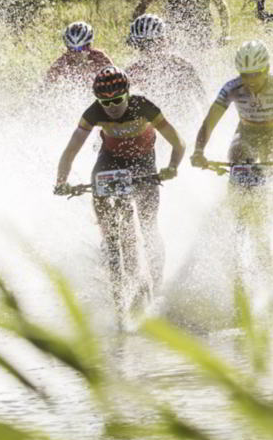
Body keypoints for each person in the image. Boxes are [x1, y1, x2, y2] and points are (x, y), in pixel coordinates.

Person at [51, 66, 184, 315]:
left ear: (127, 94)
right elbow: (71, 150)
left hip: (143, 162)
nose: (111, 107)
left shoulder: (143, 106)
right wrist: (61, 181)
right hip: (110, 160)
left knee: (148, 225)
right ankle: (110, 242)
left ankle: (156, 281)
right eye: (105, 102)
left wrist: (172, 167)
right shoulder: (93, 112)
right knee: (100, 194)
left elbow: (178, 142)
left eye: (117, 100)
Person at [192, 40, 273, 259]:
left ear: (267, 69)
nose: (251, 81)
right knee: (237, 155)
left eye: (256, 74)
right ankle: (238, 219)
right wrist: (199, 152)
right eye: (245, 75)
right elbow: (209, 123)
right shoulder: (231, 88)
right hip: (248, 133)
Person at [122, 13, 207, 127]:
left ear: (164, 41)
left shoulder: (182, 66)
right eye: (142, 46)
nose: (148, 50)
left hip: (185, 123)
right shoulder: (131, 73)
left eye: (151, 44)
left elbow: (203, 100)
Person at [43, 21, 112, 89]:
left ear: (89, 45)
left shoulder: (100, 58)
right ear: (67, 48)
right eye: (72, 49)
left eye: (82, 48)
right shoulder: (61, 64)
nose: (77, 53)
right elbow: (44, 87)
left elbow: (115, 78)